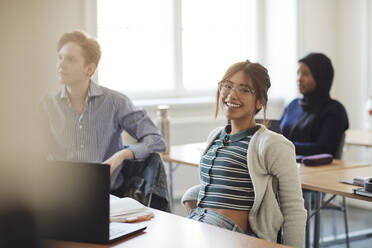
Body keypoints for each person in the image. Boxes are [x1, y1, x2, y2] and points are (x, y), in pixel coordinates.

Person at [181, 60, 306, 248]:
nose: (232, 94)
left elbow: (294, 209)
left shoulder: (272, 143)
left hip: (228, 232)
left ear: (260, 102)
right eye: (227, 86)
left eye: (244, 89)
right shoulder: (215, 136)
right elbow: (218, 186)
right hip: (198, 221)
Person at [39, 30, 166, 174]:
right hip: (61, 191)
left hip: (108, 193)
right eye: (60, 57)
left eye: (70, 59)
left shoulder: (116, 102)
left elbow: (156, 140)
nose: (61, 65)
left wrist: (122, 155)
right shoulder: (47, 105)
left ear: (90, 69)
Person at [280, 53, 349, 157]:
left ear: (320, 77)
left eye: (305, 74)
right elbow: (278, 136)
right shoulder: (293, 105)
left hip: (318, 170)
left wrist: (285, 147)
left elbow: (324, 148)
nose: (299, 79)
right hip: (283, 165)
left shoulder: (334, 110)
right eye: (298, 73)